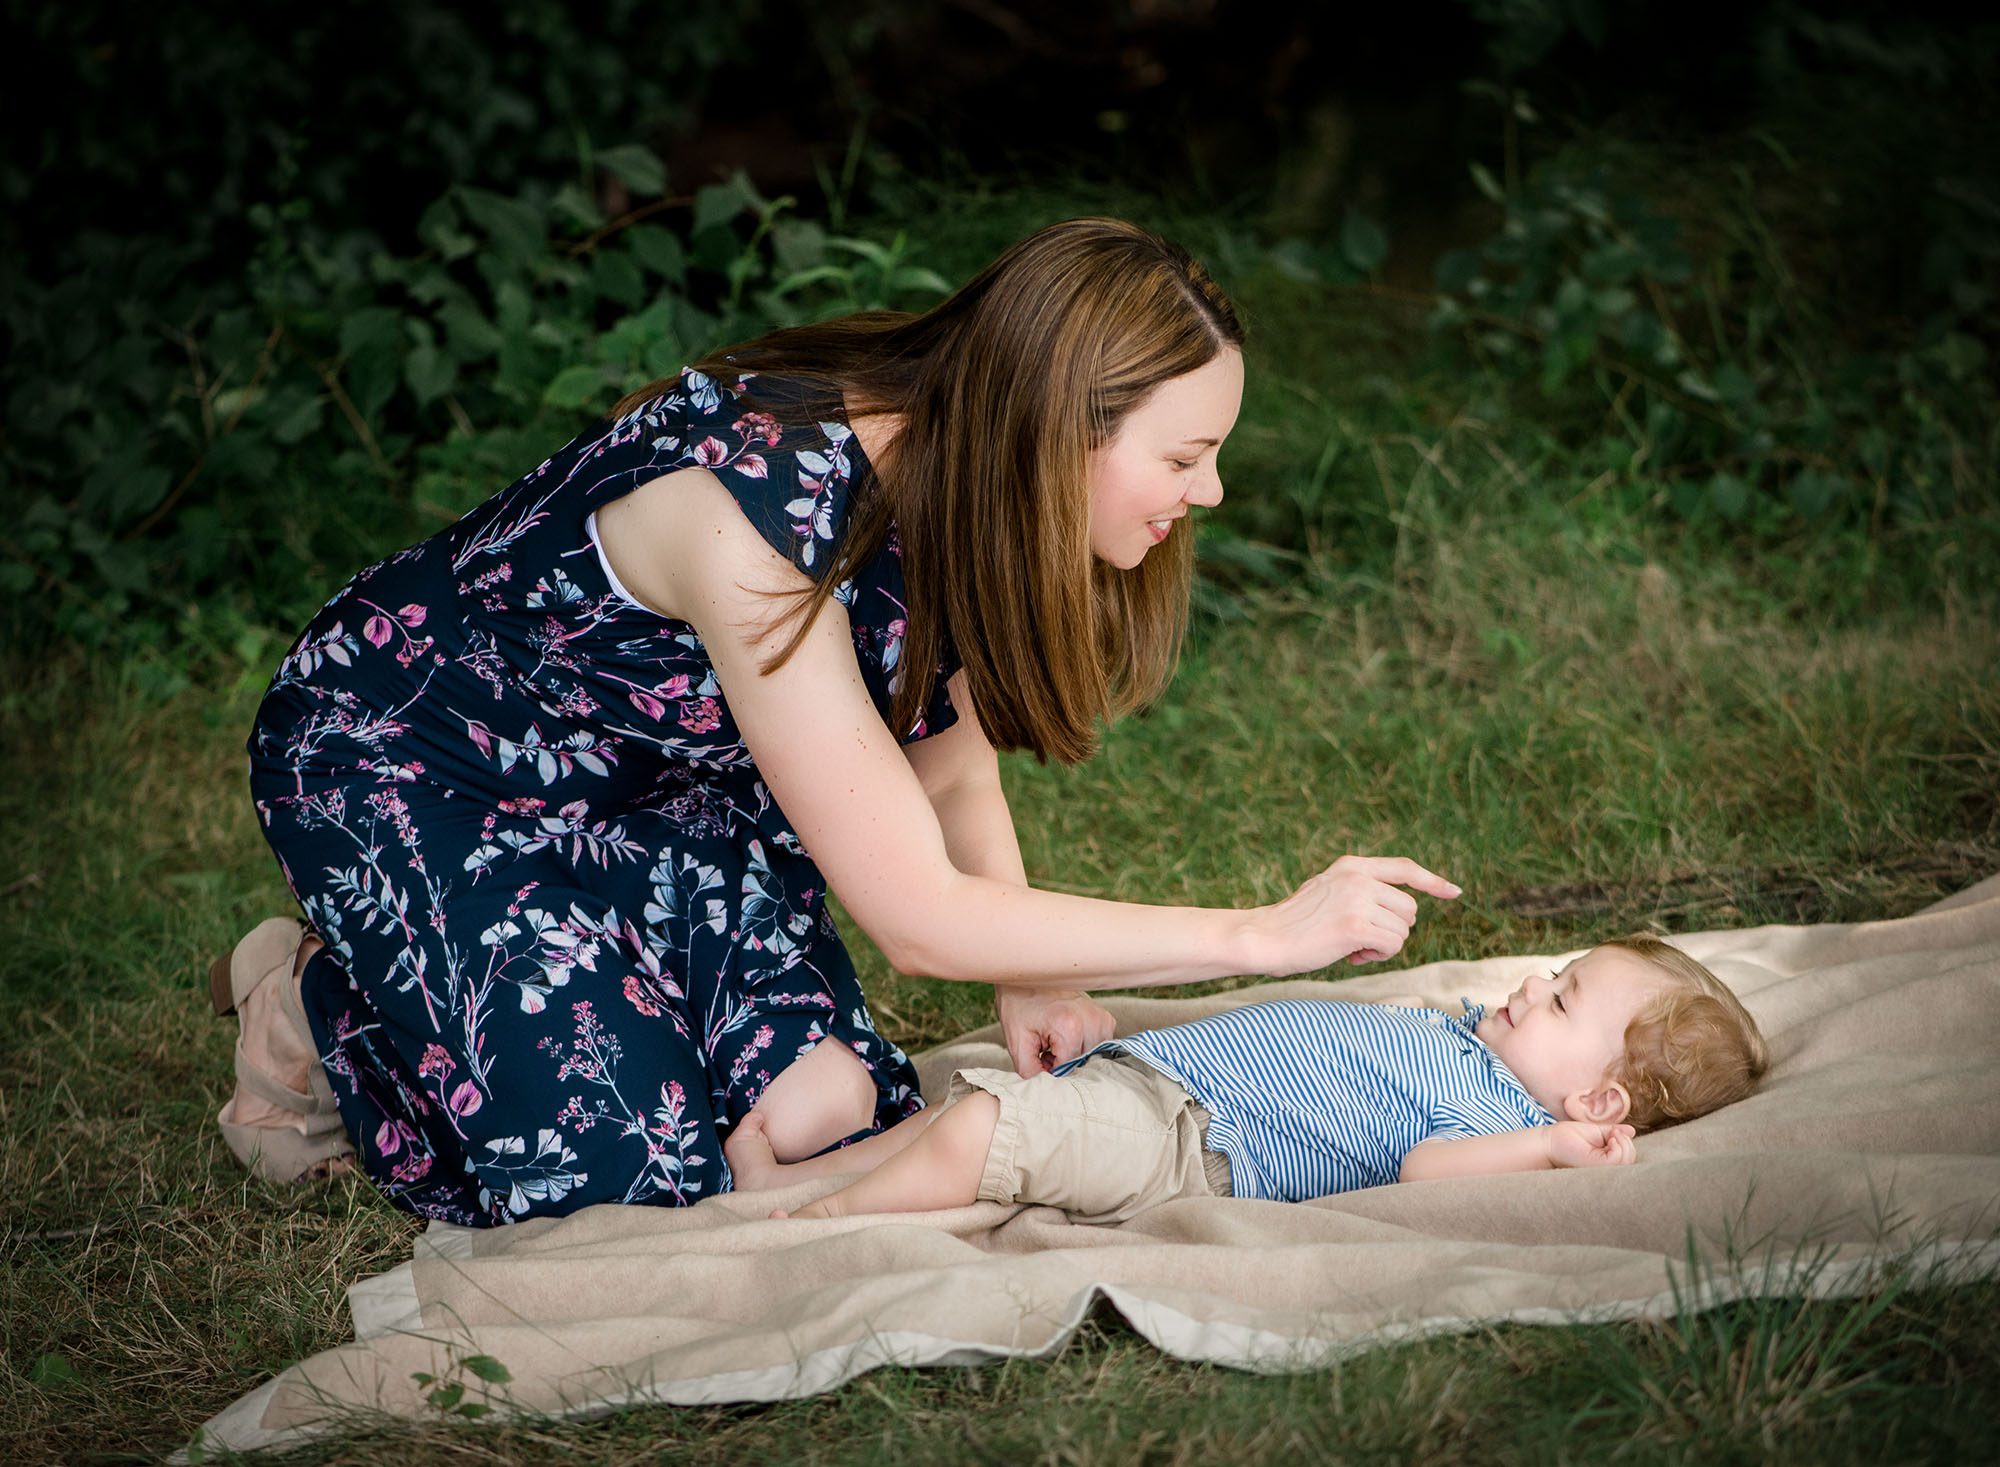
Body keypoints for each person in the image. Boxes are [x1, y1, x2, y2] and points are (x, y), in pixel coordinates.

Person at [214, 217, 1462, 1225]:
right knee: (622, 1189)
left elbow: (951, 767)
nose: (1210, 491)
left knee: (839, 1118)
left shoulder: (974, 476)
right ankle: (324, 1010)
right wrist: (1261, 935)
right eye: (1185, 457)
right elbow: (915, 920)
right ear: (1057, 430)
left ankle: (536, 967)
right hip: (417, 764)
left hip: (677, 789)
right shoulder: (754, 508)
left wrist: (1034, 975)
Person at [723, 935, 1770, 1221]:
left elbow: (1422, 1169)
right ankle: (801, 1180)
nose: (1533, 983)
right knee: (961, 1110)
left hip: (1188, 1147)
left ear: (1592, 1101)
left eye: (1561, 1000)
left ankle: (818, 1228)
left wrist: (1546, 1149)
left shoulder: (1490, 1112)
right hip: (1155, 1078)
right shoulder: (1465, 1038)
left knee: (980, 1129)